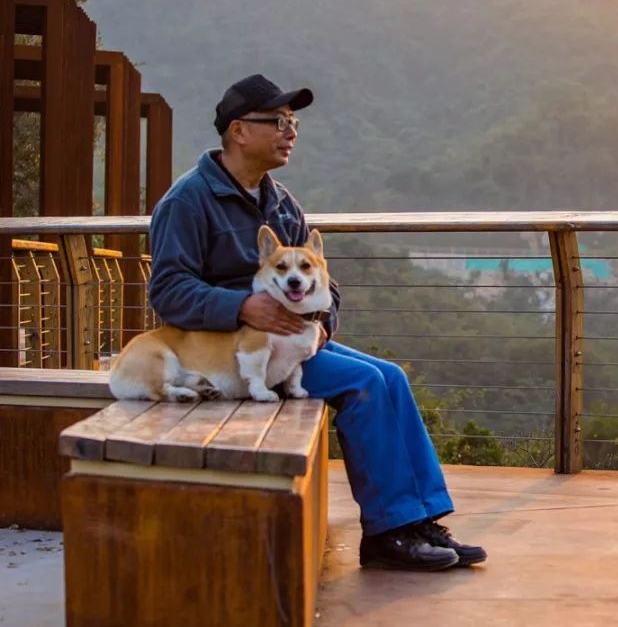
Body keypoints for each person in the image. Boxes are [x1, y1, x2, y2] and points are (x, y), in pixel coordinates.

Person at [148, 74, 485, 571]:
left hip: (291, 344)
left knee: (389, 375)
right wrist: (241, 306)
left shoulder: (281, 203)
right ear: (239, 131)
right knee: (365, 383)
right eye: (279, 121)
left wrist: (324, 321)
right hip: (233, 355)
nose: (291, 131)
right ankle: (389, 533)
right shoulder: (188, 202)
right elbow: (167, 291)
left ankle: (419, 521)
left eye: (293, 122)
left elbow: (325, 283)